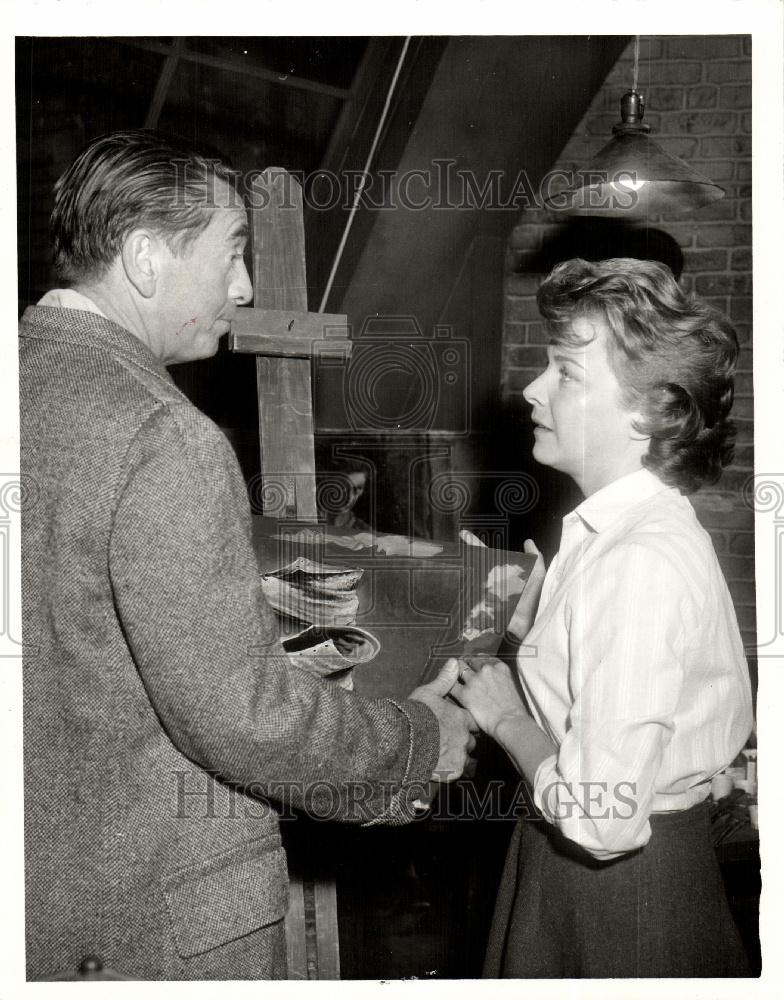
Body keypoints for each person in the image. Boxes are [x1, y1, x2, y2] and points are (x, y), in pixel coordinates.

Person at [19, 130, 474, 981]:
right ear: (147, 258)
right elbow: (241, 715)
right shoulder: (162, 435)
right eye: (232, 251)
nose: (246, 287)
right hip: (153, 923)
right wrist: (416, 743)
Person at [451, 257, 754, 978]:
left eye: (568, 373)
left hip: (621, 896)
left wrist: (504, 719)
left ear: (648, 412)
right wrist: (530, 622)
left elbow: (600, 814)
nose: (532, 389)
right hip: (589, 877)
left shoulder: (638, 558)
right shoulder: (616, 532)